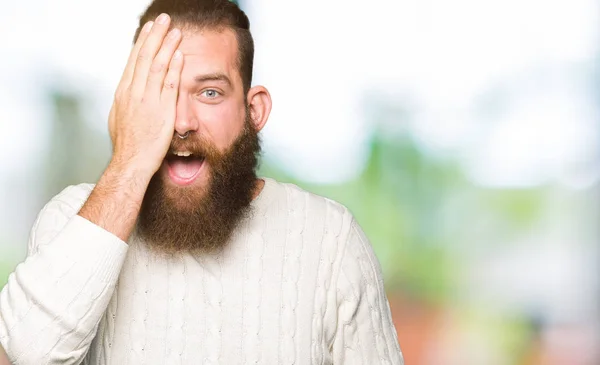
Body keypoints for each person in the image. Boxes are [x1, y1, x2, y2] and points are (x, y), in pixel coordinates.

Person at [0, 1, 403, 364]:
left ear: (254, 110)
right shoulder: (70, 219)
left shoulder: (330, 241)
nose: (181, 122)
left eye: (209, 92)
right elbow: (26, 354)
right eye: (162, 93)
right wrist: (128, 164)